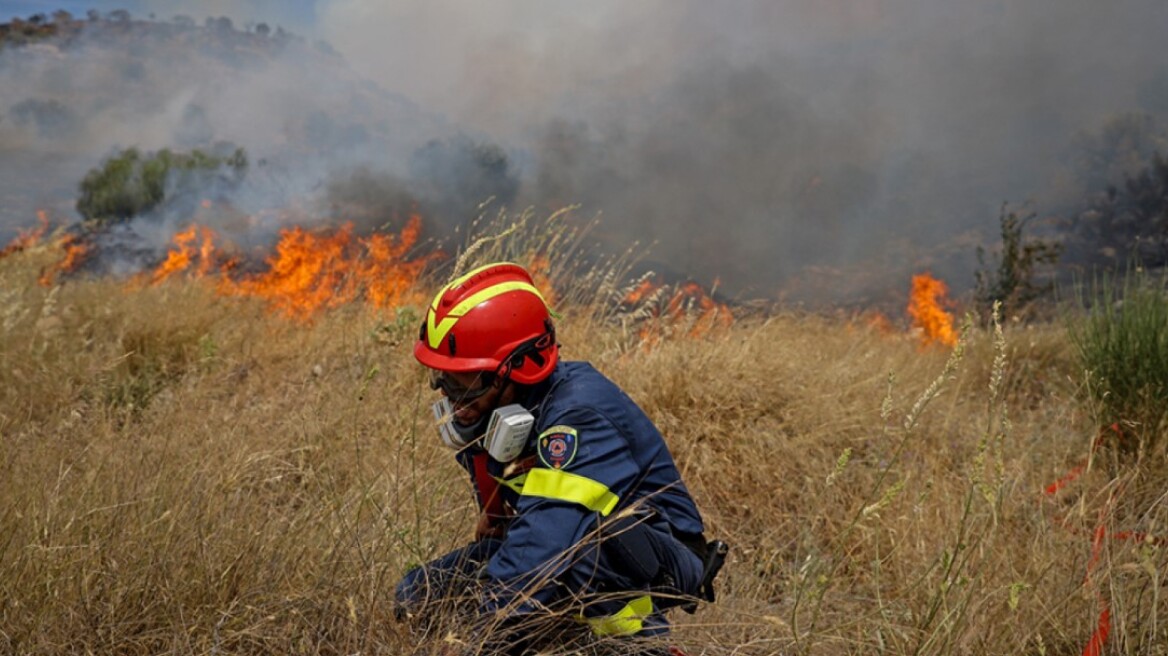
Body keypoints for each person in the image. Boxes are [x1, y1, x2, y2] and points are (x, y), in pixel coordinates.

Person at [395, 262, 724, 655]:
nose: (448, 395)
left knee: (583, 552)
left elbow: (542, 543)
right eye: (442, 379)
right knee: (418, 594)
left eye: (462, 381)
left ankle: (643, 648)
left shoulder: (578, 415)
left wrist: (486, 638)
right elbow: (510, 528)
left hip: (652, 554)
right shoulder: (499, 413)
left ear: (515, 369)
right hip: (565, 540)